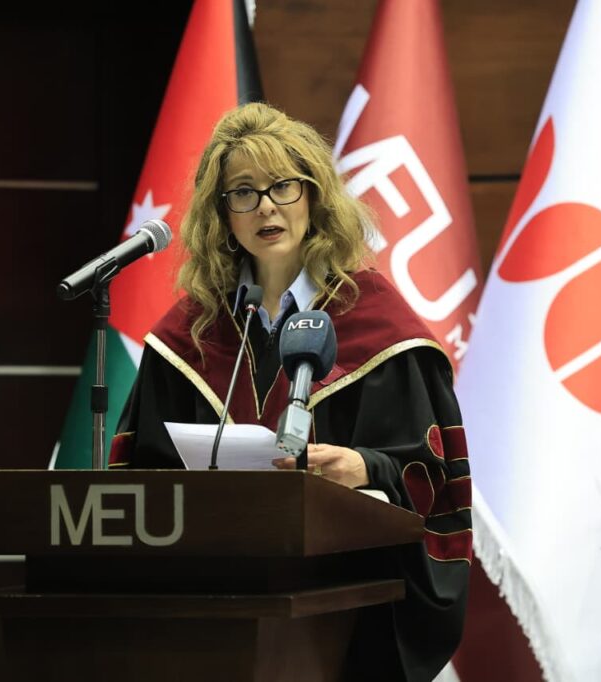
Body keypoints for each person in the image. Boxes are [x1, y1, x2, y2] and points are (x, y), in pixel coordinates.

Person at [110, 101, 471, 681]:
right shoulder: (188, 338)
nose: (266, 206)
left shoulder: (380, 327)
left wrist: (365, 467)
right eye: (243, 192)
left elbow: (435, 479)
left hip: (343, 619)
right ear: (221, 214)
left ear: (313, 197)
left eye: (282, 186)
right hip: (213, 620)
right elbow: (143, 479)